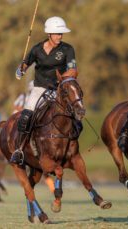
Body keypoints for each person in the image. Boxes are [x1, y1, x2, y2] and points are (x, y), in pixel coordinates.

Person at [10, 16, 78, 165]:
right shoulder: (37, 49)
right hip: (39, 88)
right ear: (49, 34)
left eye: (61, 34)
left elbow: (73, 71)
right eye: (56, 33)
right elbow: (25, 65)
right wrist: (20, 71)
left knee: (75, 112)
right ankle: (19, 149)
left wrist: (62, 77)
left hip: (59, 89)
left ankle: (73, 145)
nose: (60, 36)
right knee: (26, 115)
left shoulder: (67, 49)